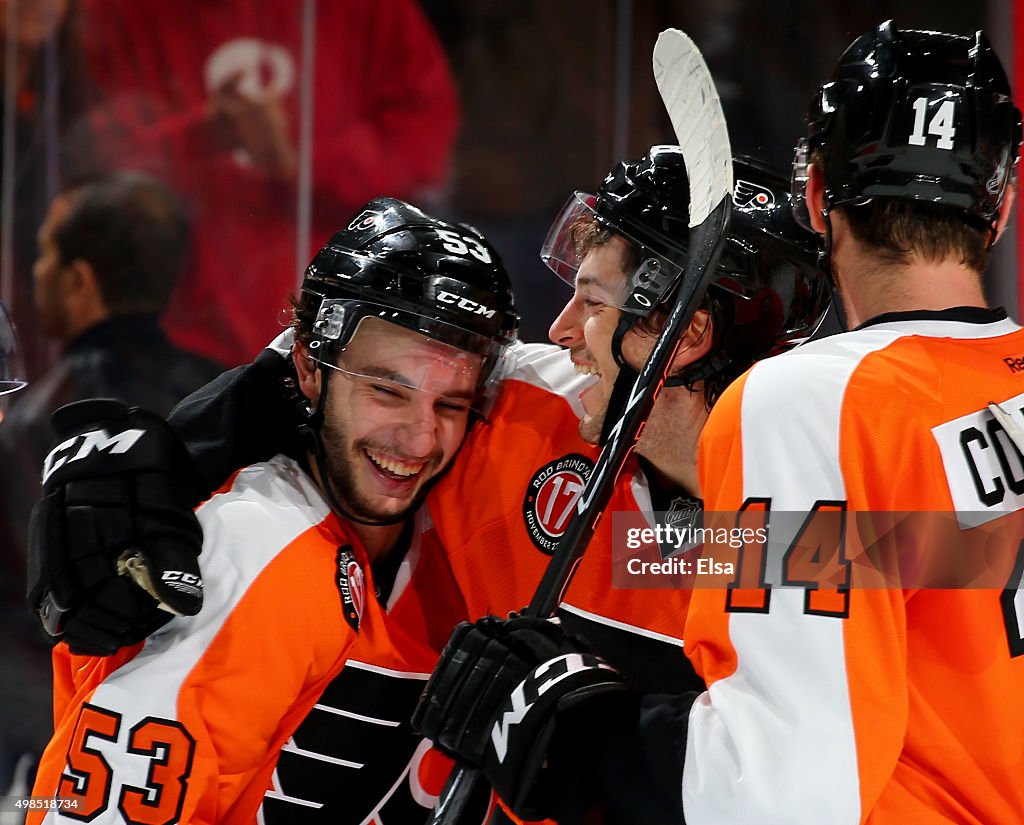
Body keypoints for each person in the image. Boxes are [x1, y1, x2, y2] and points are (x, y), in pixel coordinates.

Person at [27, 151, 828, 823]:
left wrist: (593, 728)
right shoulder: (523, 411)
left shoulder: (818, 507)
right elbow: (363, 352)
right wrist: (166, 455)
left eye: (589, 300)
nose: (559, 331)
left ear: (681, 336)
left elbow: (904, 624)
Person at [414, 22, 1024, 825]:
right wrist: (648, 559)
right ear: (1003, 207)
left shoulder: (807, 401)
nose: (564, 329)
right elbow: (919, 563)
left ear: (816, 195)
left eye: (592, 302)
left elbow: (775, 795)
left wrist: (577, 729)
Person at [28, 197, 520, 825]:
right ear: (310, 367)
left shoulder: (462, 527)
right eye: (386, 391)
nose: (420, 441)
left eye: (451, 405)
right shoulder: (256, 549)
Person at [76, 0, 460, 367]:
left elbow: (421, 147)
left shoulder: (373, 10)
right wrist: (202, 135)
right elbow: (95, 158)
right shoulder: (122, 11)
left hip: (334, 327)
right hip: (176, 333)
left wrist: (299, 161)